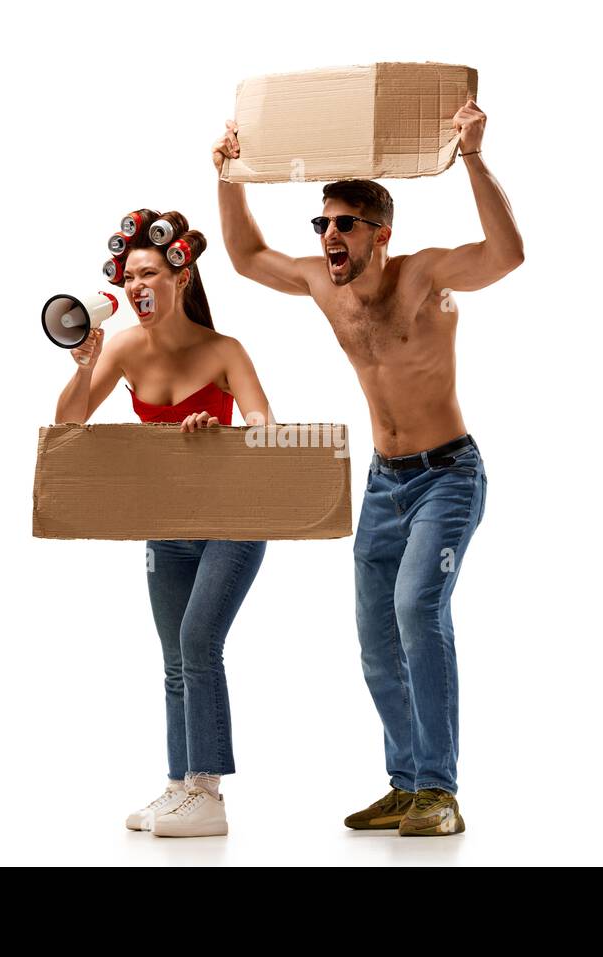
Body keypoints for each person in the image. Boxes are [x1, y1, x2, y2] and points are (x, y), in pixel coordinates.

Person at [212, 99, 524, 835]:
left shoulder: (423, 276)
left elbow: (508, 254)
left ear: (380, 233)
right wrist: (228, 174)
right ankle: (406, 779)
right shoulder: (324, 283)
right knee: (376, 634)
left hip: (448, 475)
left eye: (342, 224)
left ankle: (440, 790)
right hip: (384, 483)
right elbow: (246, 258)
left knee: (418, 609)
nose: (327, 237)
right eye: (320, 225)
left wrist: (474, 155)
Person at [55, 210, 272, 838]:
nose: (137, 288)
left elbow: (262, 423)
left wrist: (225, 432)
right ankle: (179, 786)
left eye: (148, 273)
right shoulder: (122, 347)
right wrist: (81, 366)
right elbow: (69, 428)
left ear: (181, 274)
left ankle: (209, 793)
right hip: (168, 521)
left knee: (200, 643)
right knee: (175, 656)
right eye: (129, 280)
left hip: (232, 518)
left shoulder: (225, 351)